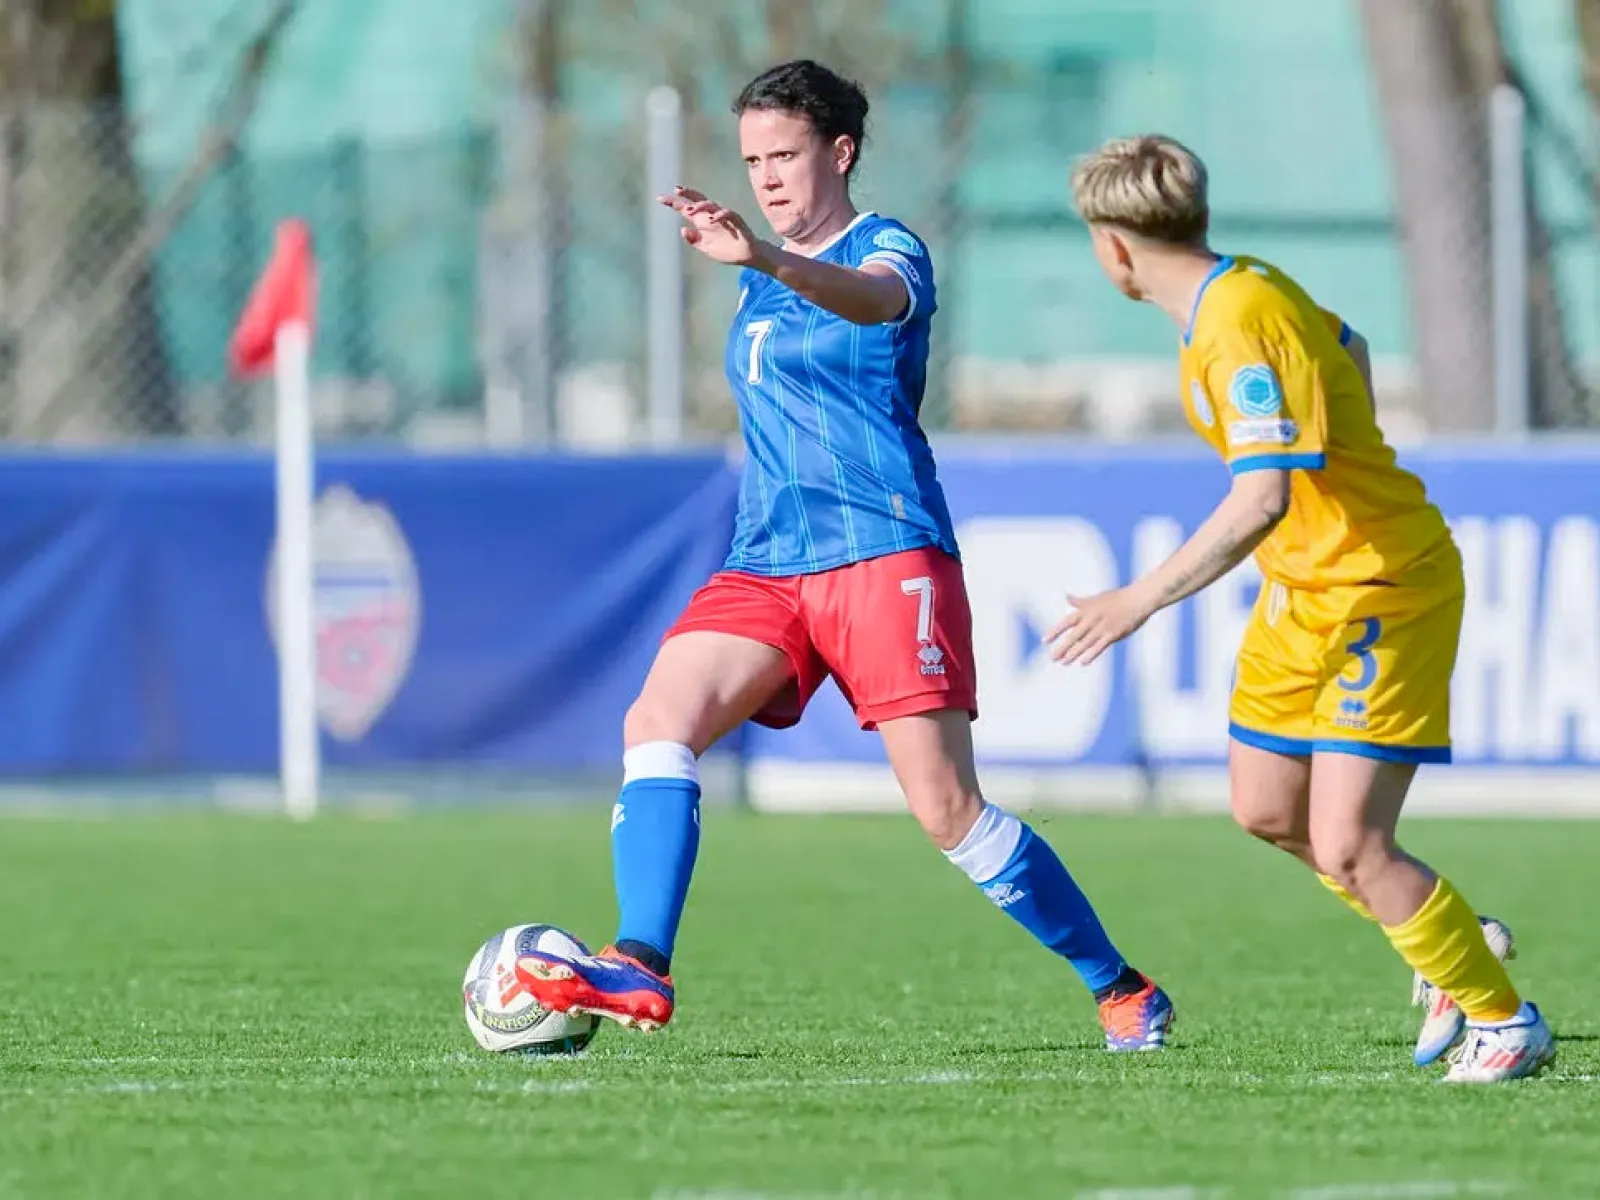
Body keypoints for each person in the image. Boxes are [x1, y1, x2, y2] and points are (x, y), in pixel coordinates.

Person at [514, 60, 1174, 1051]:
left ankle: (1119, 985)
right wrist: (756, 264)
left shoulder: (885, 248)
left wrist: (762, 261)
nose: (768, 177)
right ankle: (638, 962)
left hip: (883, 553)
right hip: (768, 561)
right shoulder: (757, 281)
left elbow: (872, 303)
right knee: (657, 720)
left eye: (785, 154)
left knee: (947, 809)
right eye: (752, 160)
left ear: (840, 150)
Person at [1052, 133, 1554, 1082]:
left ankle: (1503, 1019)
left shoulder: (1237, 318)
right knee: (1265, 805)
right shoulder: (1244, 287)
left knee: (1350, 842)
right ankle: (1440, 937)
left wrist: (1137, 601)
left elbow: (1262, 497)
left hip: (1379, 587)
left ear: (1115, 246)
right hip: (1306, 590)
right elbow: (1349, 347)